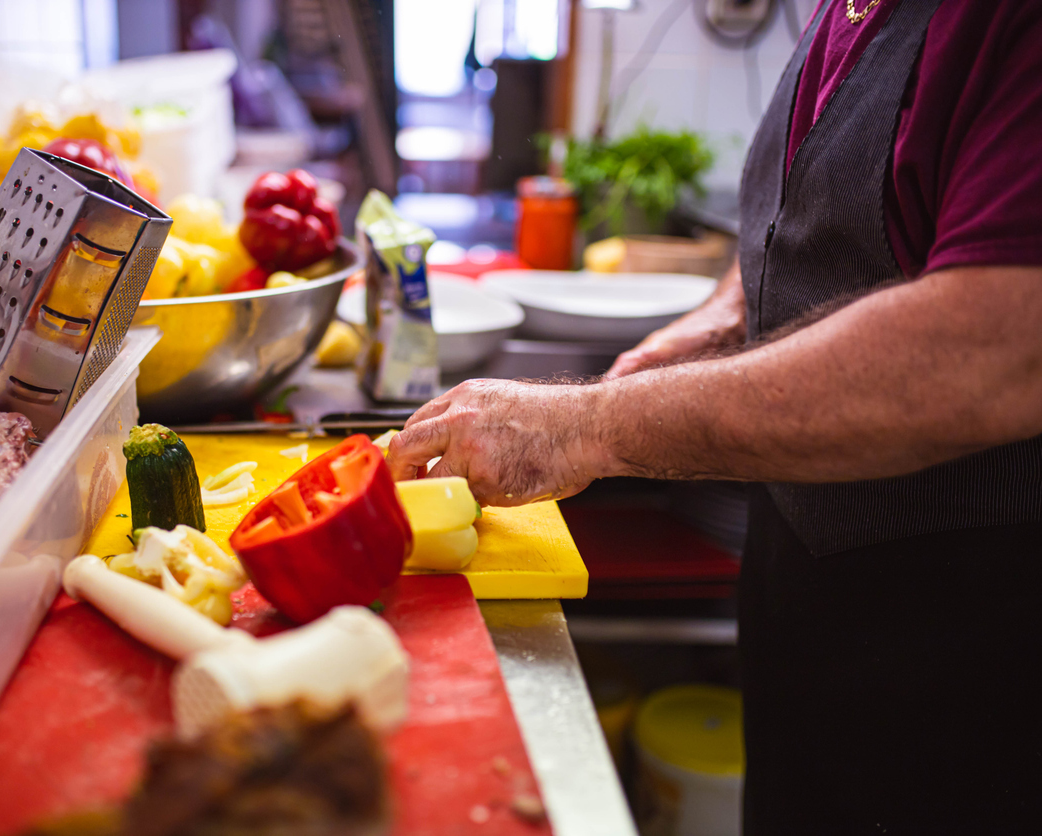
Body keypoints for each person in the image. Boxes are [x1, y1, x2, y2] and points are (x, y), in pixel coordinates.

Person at [387, 0, 1042, 832]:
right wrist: (728, 316)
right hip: (805, 589)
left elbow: (996, 346)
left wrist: (588, 425)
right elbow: (816, 211)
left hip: (975, 638)